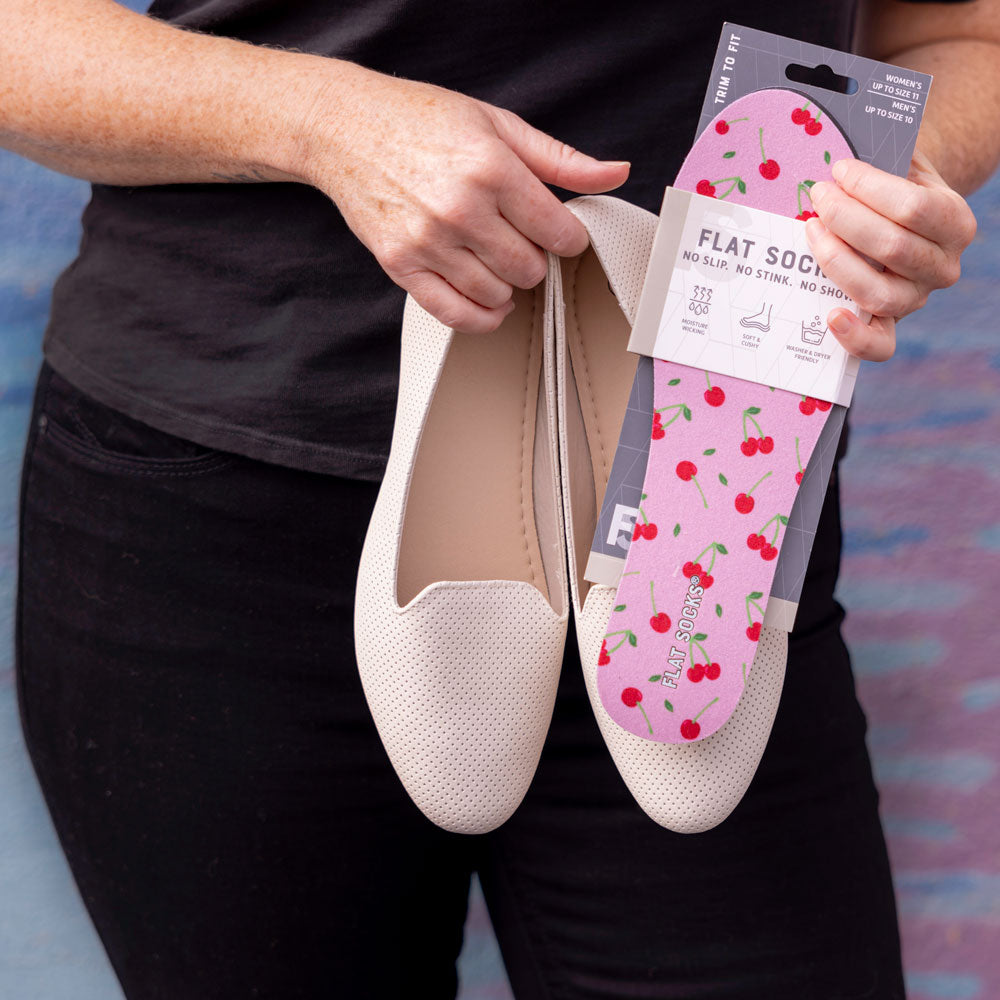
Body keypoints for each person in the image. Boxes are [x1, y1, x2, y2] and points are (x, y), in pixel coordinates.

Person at [6, 0, 992, 997]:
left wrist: (896, 189)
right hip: (220, 522)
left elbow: (963, 30)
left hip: (706, 531)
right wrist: (325, 122)